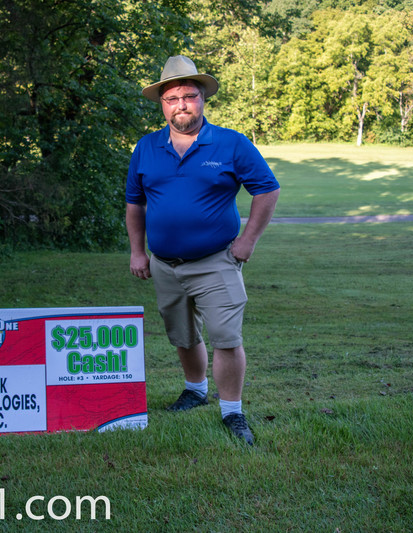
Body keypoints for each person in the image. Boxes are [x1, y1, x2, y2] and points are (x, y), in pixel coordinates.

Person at [125, 55, 280, 445]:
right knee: (182, 334)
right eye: (172, 98)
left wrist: (248, 241)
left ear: (202, 99)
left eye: (189, 96)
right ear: (162, 104)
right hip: (164, 264)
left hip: (216, 262)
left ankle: (232, 412)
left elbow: (267, 189)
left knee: (225, 337)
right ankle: (195, 390)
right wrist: (137, 251)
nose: (181, 104)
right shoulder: (146, 147)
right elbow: (135, 203)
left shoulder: (231, 143)